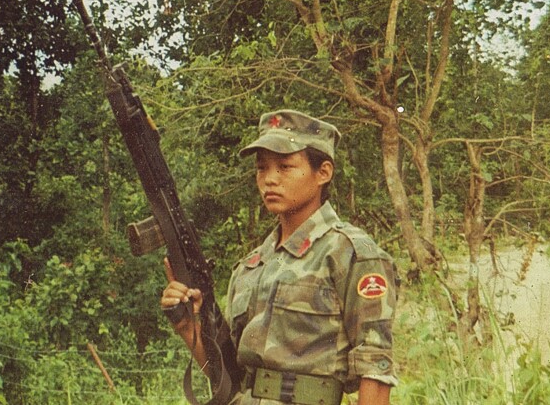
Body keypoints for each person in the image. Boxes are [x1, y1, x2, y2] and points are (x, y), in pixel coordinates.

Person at [161, 109, 398, 405]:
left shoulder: (350, 254)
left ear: (323, 172)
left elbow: (375, 368)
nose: (269, 179)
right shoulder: (251, 266)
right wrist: (189, 326)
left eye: (285, 167)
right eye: (262, 168)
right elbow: (227, 376)